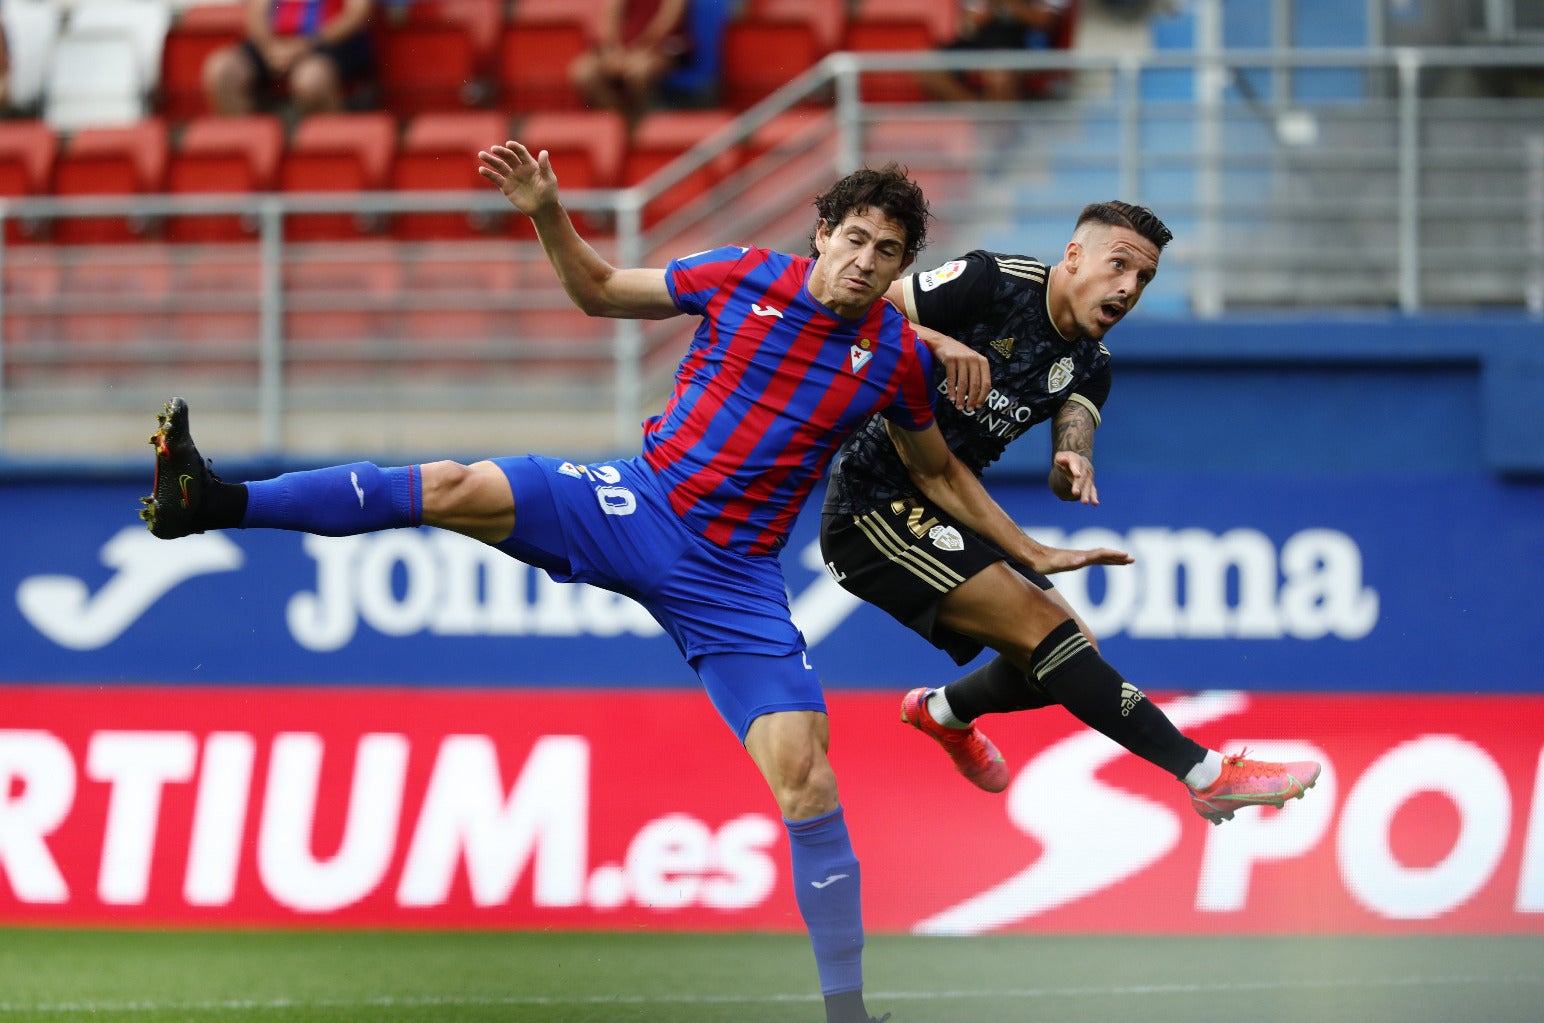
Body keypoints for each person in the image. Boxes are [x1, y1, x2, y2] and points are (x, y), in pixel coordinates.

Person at [139, 142, 1129, 1023]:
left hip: (733, 581)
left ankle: (846, 1013)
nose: (864, 262)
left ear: (902, 268)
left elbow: (936, 472)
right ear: (821, 233)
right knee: (447, 485)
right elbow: (602, 292)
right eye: (854, 239)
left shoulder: (896, 359)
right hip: (631, 503)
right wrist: (544, 213)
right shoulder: (743, 276)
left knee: (807, 780)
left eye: (886, 254)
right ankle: (210, 502)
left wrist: (1025, 552)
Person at [819, 201, 1323, 823]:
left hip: (952, 503)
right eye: (1119, 267)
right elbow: (856, 310)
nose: (1129, 288)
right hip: (873, 502)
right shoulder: (992, 281)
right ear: (1074, 256)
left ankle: (944, 712)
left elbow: (1073, 435)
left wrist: (1071, 462)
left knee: (1072, 653)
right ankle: (1208, 773)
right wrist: (944, 343)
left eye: (1143, 280)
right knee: (1049, 636)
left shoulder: (1091, 363)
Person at [203, 0, 375, 117]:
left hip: (329, 44)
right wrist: (270, 46)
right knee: (222, 72)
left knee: (311, 81)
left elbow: (357, 14)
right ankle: (247, 154)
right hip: (275, 44)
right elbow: (256, 12)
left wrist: (305, 45)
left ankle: (333, 155)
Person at [919, 0, 1073, 103]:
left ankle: (1003, 139)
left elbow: (1044, 22)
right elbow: (970, 23)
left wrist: (1009, 3)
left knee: (999, 75)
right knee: (927, 65)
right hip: (982, 42)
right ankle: (981, 115)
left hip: (1027, 45)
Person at [569, 0, 692, 128]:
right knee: (584, 72)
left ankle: (634, 126)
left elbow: (668, 20)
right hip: (625, 51)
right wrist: (613, 51)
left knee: (638, 72)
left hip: (660, 48)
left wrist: (638, 50)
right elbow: (611, 15)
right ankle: (618, 123)